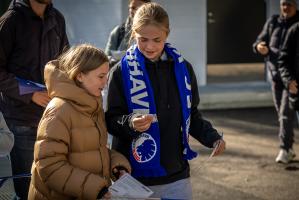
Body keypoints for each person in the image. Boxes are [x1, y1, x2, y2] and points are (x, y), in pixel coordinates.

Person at [105, 3, 226, 199]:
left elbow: (192, 114)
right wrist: (130, 123)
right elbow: (110, 120)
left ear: (167, 34)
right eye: (143, 39)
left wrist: (212, 138)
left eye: (157, 40)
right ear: (134, 33)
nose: (150, 46)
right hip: (133, 177)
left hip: (176, 175)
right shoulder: (120, 72)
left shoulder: (183, 68)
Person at [28, 44, 131, 200]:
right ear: (80, 75)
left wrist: (117, 166)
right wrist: (96, 188)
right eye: (101, 76)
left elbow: (94, 150)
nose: (105, 83)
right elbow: (49, 166)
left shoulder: (91, 105)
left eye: (107, 77)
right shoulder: (59, 110)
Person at [0, 0, 69, 199]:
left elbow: (65, 62)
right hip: (21, 120)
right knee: (27, 188)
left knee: (52, 183)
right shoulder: (10, 21)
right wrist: (30, 93)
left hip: (54, 117)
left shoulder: (58, 18)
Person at [253, 0, 299, 164]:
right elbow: (259, 41)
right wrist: (260, 46)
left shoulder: (296, 26)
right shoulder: (273, 21)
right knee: (282, 114)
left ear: (296, 6)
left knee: (285, 114)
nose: (286, 7)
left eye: (289, 4)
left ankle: (284, 149)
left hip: (292, 79)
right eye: (283, 4)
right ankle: (290, 148)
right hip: (275, 76)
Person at [277, 20, 299, 164]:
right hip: (295, 86)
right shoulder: (295, 30)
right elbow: (283, 59)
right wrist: (289, 81)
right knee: (285, 114)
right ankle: (285, 149)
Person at [104, 0, 151, 66]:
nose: (136, 11)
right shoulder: (118, 32)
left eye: (140, 8)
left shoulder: (154, 32)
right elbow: (105, 60)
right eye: (133, 8)